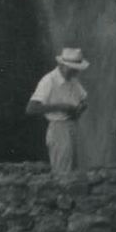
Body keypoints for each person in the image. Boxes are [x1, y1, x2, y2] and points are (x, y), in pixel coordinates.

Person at [27, 47, 90, 176]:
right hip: (58, 128)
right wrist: (61, 107)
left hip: (72, 125)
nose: (76, 72)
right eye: (73, 69)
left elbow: (83, 99)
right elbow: (31, 108)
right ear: (62, 65)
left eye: (77, 69)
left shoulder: (72, 80)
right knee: (62, 170)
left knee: (73, 169)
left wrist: (80, 108)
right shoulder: (49, 81)